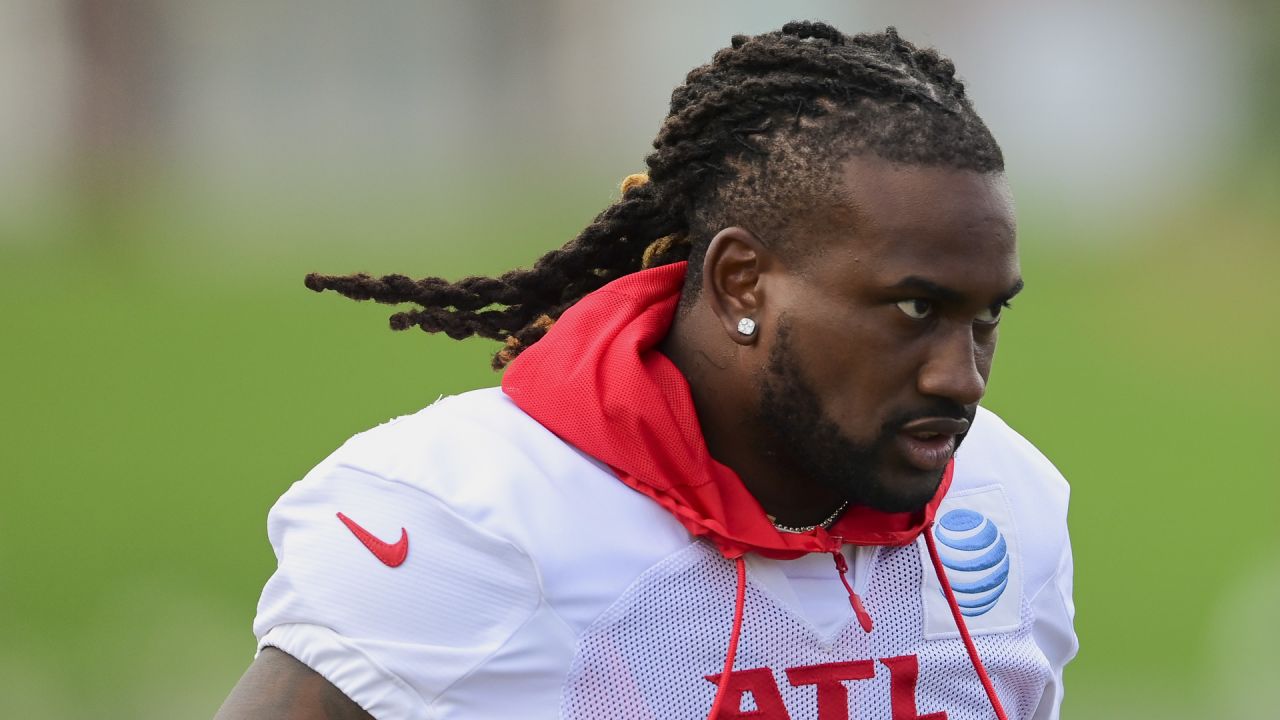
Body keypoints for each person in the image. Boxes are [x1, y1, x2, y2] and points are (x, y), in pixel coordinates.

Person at [216, 21, 1076, 720]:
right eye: (914, 309)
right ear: (743, 282)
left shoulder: (1003, 498)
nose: (961, 379)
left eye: (987, 314)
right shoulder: (478, 513)